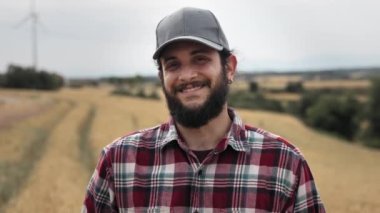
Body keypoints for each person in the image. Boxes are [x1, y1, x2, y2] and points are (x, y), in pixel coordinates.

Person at [82, 7, 325, 212]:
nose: (187, 75)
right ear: (161, 76)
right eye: (173, 64)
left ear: (229, 67)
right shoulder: (119, 162)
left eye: (200, 59)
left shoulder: (284, 164)